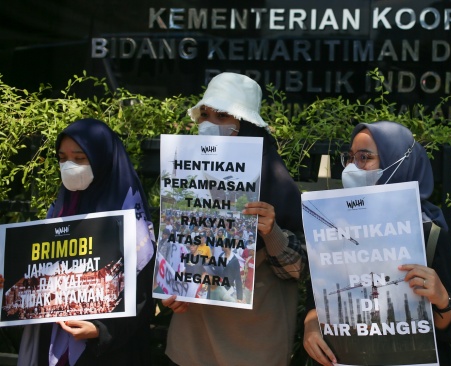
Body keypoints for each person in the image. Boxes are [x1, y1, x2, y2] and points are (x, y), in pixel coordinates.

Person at [162, 72, 307, 365]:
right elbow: (175, 246)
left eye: (223, 115)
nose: (210, 125)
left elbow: (299, 270)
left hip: (253, 341)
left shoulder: (275, 181)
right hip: (192, 336)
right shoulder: (185, 174)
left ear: (247, 125)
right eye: (205, 115)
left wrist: (272, 232)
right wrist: (172, 286)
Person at [302, 121, 451, 366]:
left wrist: (442, 299)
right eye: (350, 157)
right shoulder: (332, 224)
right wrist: (311, 325)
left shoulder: (427, 231)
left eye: (364, 157)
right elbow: (317, 298)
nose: (352, 167)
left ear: (397, 162)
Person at [17, 118, 156, 366]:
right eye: (62, 158)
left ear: (102, 159)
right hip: (56, 341)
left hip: (107, 354)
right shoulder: (59, 211)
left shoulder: (130, 218)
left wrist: (100, 329)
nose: (69, 166)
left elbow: (142, 294)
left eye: (80, 158)